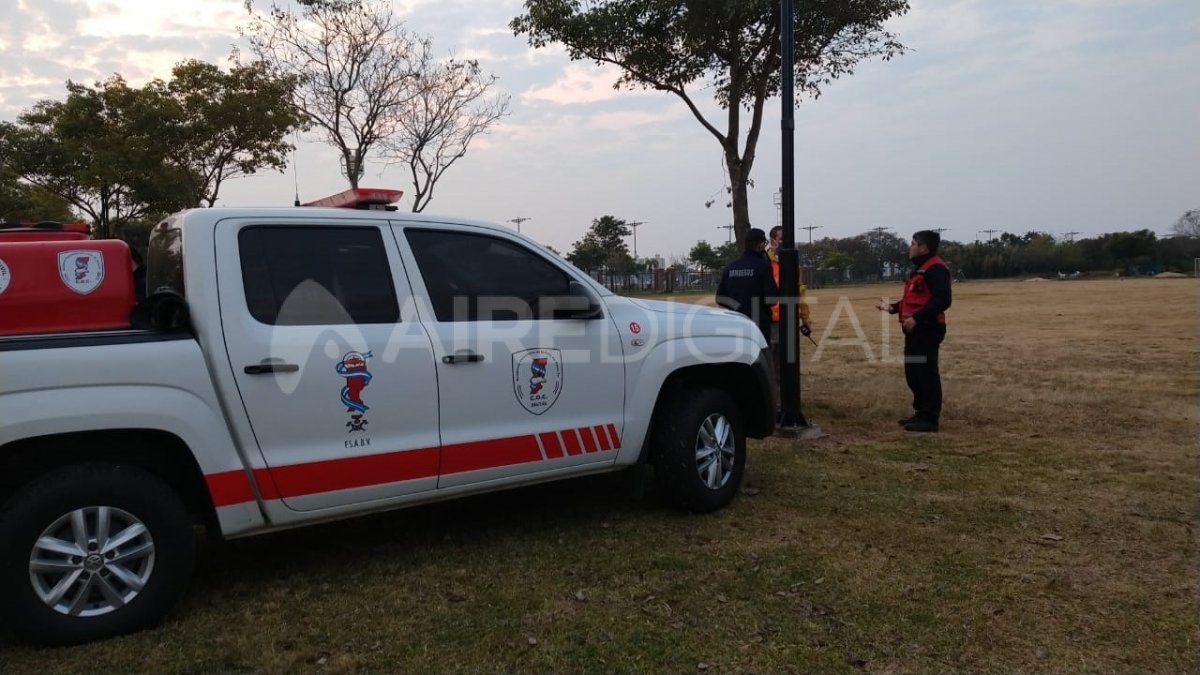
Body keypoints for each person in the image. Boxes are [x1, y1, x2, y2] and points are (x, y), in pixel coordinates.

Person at [877, 230, 952, 432]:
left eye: (913, 243)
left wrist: (917, 319)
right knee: (913, 374)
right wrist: (892, 308)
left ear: (924, 248)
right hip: (915, 330)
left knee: (926, 373)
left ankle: (930, 418)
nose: (909, 247)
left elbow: (943, 300)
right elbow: (915, 300)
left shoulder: (936, 269)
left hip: (928, 329)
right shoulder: (920, 269)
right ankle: (921, 412)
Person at [716, 228, 778, 339]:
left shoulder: (730, 267)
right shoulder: (763, 266)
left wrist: (738, 307)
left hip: (736, 324)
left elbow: (720, 298)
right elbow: (772, 299)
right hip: (759, 326)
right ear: (759, 245)